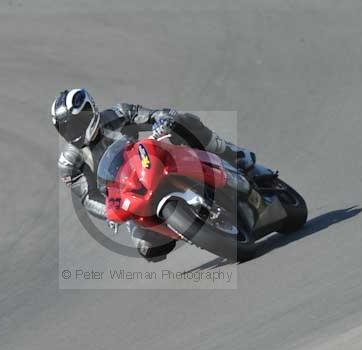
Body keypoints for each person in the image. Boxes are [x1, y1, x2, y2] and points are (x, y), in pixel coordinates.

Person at [53, 88, 257, 262]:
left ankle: (231, 153)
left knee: (182, 121)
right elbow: (88, 197)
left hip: (149, 161)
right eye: (65, 128)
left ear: (90, 110)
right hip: (128, 193)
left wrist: (162, 120)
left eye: (76, 123)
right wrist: (109, 213)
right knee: (148, 249)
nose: (73, 132)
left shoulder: (118, 114)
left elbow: (155, 115)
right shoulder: (69, 163)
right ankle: (193, 230)